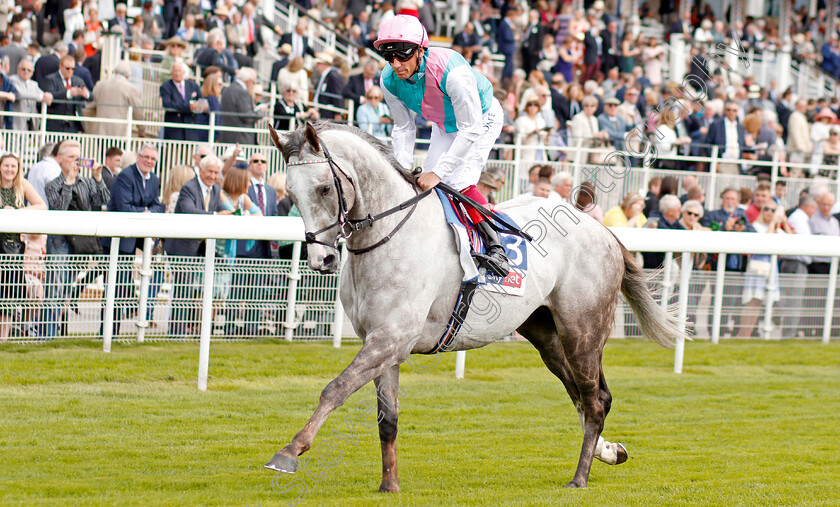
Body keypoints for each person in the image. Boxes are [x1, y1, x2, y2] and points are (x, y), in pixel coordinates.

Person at [375, 15, 509, 276]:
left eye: (402, 56)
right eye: (388, 57)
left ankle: (497, 246)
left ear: (420, 50)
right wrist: (401, 170)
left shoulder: (452, 72)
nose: (396, 64)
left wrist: (437, 172)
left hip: (481, 118)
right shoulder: (388, 80)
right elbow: (404, 128)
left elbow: (470, 129)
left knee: (457, 180)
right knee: (423, 186)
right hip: (445, 123)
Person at [102, 144, 165, 336]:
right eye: (146, 157)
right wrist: (146, 211)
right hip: (118, 239)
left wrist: (147, 211)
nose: (149, 161)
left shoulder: (154, 179)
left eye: (153, 159)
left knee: (124, 288)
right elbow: (124, 207)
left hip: (137, 237)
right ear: (138, 157)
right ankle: (106, 334)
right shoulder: (125, 177)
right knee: (114, 288)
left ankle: (117, 333)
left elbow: (157, 205)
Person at [165, 155, 230, 337]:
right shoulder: (189, 188)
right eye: (210, 171)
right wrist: (217, 216)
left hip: (201, 248)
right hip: (182, 248)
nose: (213, 176)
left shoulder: (215, 189)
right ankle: (176, 333)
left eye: (216, 173)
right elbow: (189, 211)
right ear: (200, 170)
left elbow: (219, 208)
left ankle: (185, 330)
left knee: (192, 291)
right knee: (183, 291)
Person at [0, 153, 46, 341]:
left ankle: (3, 338)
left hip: (14, 247)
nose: (9, 170)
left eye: (13, 166)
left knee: (8, 294)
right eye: (6, 166)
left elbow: (41, 206)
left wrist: (17, 212)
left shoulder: (22, 185)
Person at [738, 203, 790, 338]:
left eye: (773, 210)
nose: (769, 212)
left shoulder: (777, 229)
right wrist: (773, 223)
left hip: (770, 270)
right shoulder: (756, 226)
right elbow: (764, 242)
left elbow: (792, 239)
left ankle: (748, 334)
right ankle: (743, 334)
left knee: (760, 303)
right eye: (766, 208)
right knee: (751, 302)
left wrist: (784, 222)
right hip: (757, 269)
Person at [85, 61, 143, 137]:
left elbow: (90, 106)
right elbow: (138, 111)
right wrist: (142, 130)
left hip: (100, 130)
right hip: (119, 132)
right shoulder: (131, 88)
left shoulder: (100, 85)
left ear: (115, 71)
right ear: (128, 75)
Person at [42, 53, 89, 133]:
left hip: (73, 126)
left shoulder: (78, 81)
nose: (70, 71)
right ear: (60, 66)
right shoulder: (50, 79)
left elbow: (91, 97)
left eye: (73, 69)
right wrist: (68, 93)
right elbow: (51, 96)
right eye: (67, 68)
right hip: (55, 125)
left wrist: (86, 94)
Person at [220, 67, 266, 145]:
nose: (253, 85)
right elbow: (247, 117)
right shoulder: (243, 93)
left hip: (226, 137)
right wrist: (260, 111)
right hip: (241, 139)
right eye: (253, 82)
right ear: (248, 81)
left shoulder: (226, 90)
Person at [160, 61, 205, 141]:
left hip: (191, 131)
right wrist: (189, 107)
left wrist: (204, 106)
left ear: (184, 72)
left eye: (179, 71)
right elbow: (167, 104)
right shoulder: (166, 86)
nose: (177, 74)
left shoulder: (193, 85)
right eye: (175, 71)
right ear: (171, 73)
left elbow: (201, 101)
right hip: (174, 133)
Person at [8, 57, 52, 131]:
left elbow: (42, 94)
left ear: (32, 73)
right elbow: (20, 93)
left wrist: (48, 95)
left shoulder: (33, 84)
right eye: (23, 69)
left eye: (29, 70)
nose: (26, 72)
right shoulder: (12, 80)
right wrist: (40, 96)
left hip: (31, 120)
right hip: (17, 121)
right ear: (18, 70)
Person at [198, 70, 223, 141]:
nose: (221, 87)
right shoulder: (213, 99)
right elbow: (216, 119)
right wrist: (217, 136)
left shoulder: (203, 98)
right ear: (212, 85)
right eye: (219, 84)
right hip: (209, 137)